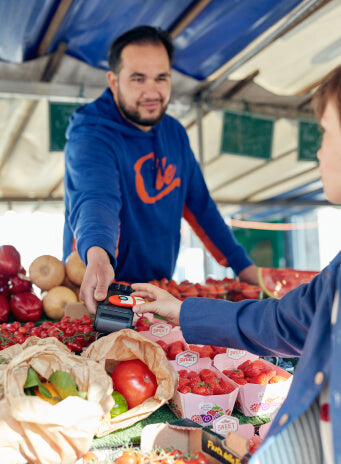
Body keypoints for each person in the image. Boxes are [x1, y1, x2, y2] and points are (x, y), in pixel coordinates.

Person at [131, 65, 341, 463]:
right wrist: (180, 310)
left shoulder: (175, 136)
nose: (318, 148)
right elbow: (283, 323)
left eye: (326, 131)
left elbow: (204, 211)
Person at [63, 25, 258, 314]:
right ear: (114, 81)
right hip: (100, 287)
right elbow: (96, 198)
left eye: (161, 78)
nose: (152, 92)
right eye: (138, 79)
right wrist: (99, 258)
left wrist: (244, 266)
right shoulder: (91, 133)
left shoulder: (175, 134)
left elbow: (200, 206)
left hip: (157, 289)